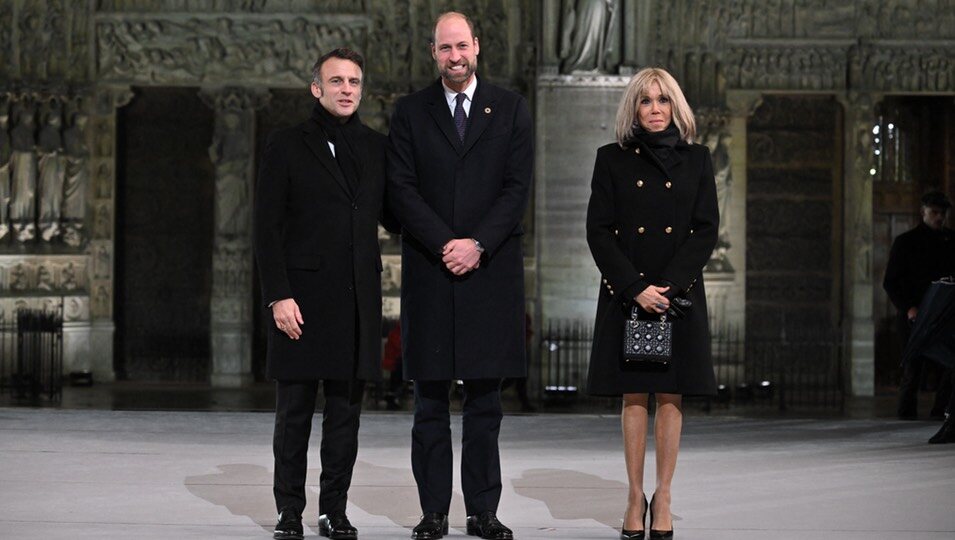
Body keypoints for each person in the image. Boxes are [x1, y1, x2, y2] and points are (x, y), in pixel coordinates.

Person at [386, 11, 533, 540]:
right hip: (431, 271)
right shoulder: (409, 112)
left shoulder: (512, 108)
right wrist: (446, 243)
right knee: (429, 403)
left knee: (485, 405)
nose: (455, 56)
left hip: (489, 273)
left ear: (477, 47)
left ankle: (483, 512)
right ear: (433, 53)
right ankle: (433, 513)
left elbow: (516, 190)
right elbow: (400, 188)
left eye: (462, 46)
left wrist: (478, 244)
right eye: (445, 49)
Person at [254, 47, 395, 540]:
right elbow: (266, 228)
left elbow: (396, 214)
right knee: (293, 415)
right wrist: (278, 296)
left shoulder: (377, 147)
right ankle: (289, 510)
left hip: (356, 301)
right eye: (336, 81)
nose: (346, 89)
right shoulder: (287, 144)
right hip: (301, 302)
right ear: (316, 88)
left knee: (345, 418)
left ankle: (333, 510)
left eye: (354, 81)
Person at [585, 67, 719, 540]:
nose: (655, 109)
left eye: (663, 100)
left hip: (676, 295)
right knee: (634, 394)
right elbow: (598, 231)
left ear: (676, 106)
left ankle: (663, 495)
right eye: (645, 101)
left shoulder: (698, 159)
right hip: (628, 293)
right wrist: (634, 286)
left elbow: (706, 229)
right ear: (634, 109)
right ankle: (633, 494)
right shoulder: (611, 159)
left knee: (672, 394)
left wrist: (670, 286)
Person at [883, 190, 955, 420]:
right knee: (913, 367)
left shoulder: (952, 241)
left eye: (942, 213)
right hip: (915, 314)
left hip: (945, 314)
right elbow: (891, 282)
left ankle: (940, 412)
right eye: (934, 212)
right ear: (923, 212)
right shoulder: (906, 242)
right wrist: (909, 307)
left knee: (949, 366)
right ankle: (906, 416)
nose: (939, 217)